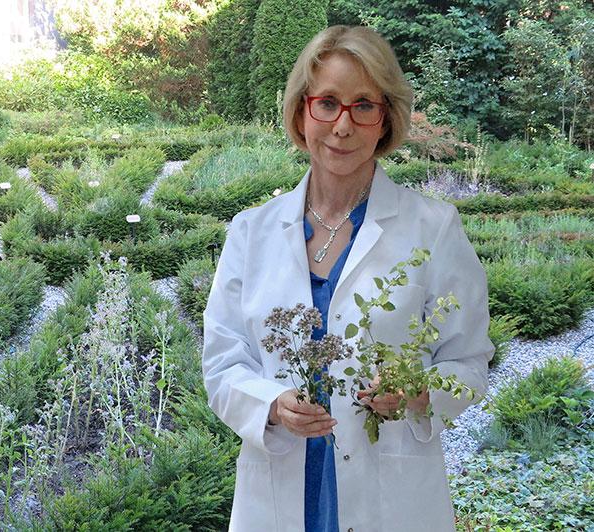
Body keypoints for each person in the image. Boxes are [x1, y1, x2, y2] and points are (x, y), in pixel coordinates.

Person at [201, 25, 493, 532]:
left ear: (386, 120)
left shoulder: (434, 228)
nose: (342, 125)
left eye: (363, 106)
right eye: (328, 103)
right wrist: (272, 405)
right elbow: (223, 363)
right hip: (279, 492)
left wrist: (418, 392)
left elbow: (469, 362)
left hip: (393, 499)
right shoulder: (251, 232)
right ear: (301, 112)